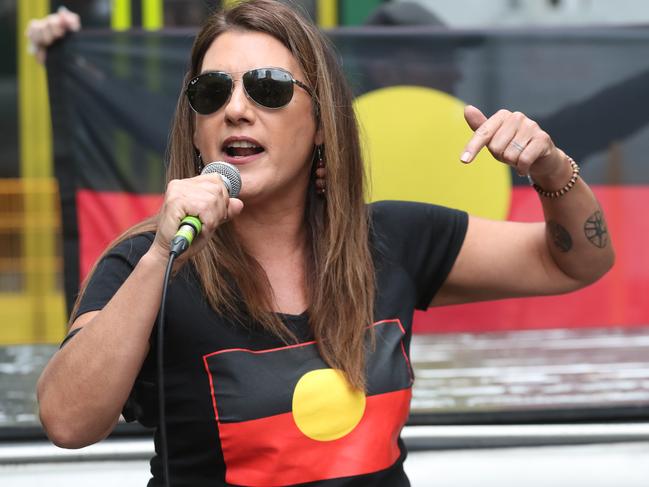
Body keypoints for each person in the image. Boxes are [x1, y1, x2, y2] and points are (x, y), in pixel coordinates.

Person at [34, 1, 614, 485]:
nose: (236, 108)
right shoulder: (148, 260)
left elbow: (577, 262)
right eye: (212, 91)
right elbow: (67, 422)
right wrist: (162, 255)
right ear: (193, 124)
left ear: (321, 123)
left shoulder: (392, 239)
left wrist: (550, 167)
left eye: (269, 88)